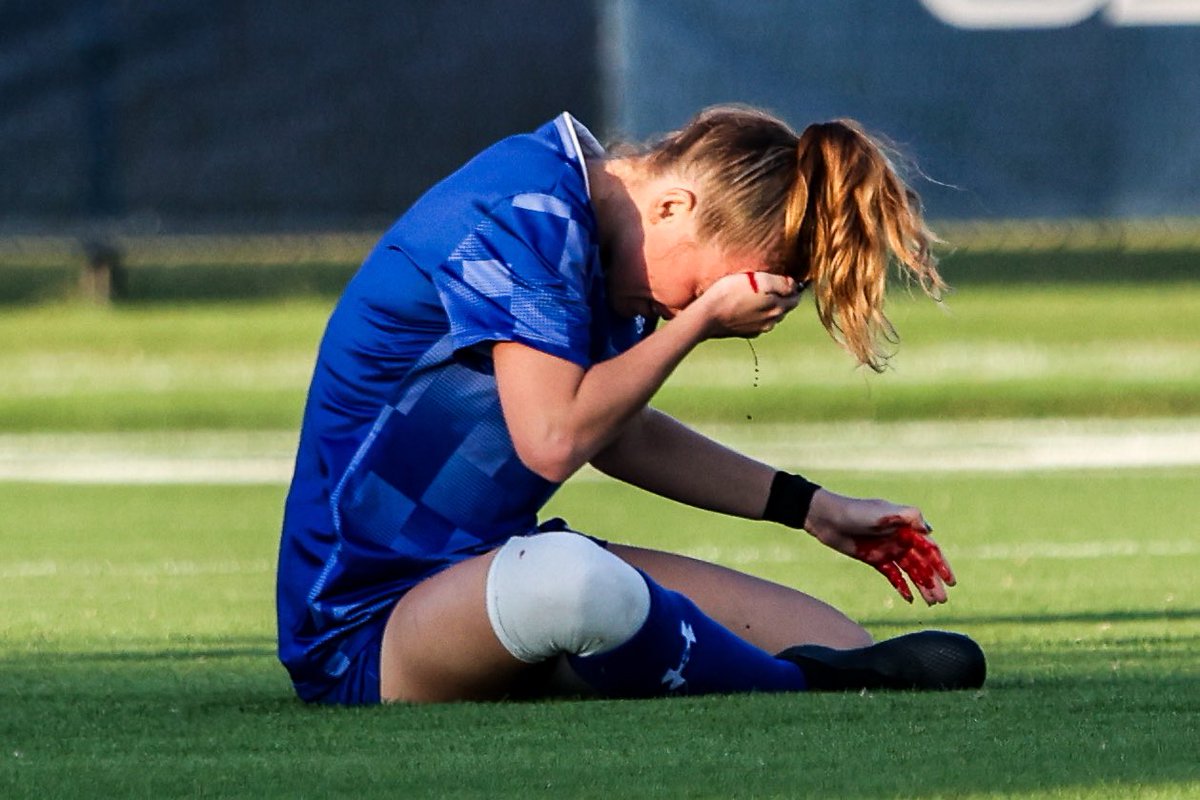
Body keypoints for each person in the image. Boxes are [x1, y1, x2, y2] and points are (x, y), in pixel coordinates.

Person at [275, 105, 986, 706]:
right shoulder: (530, 208)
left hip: (486, 576)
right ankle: (780, 686)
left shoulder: (604, 238)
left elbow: (616, 433)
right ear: (673, 206)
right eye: (703, 286)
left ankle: (620, 656)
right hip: (367, 621)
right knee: (571, 583)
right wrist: (698, 320)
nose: (686, 307)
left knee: (842, 642)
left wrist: (813, 508)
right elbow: (554, 438)